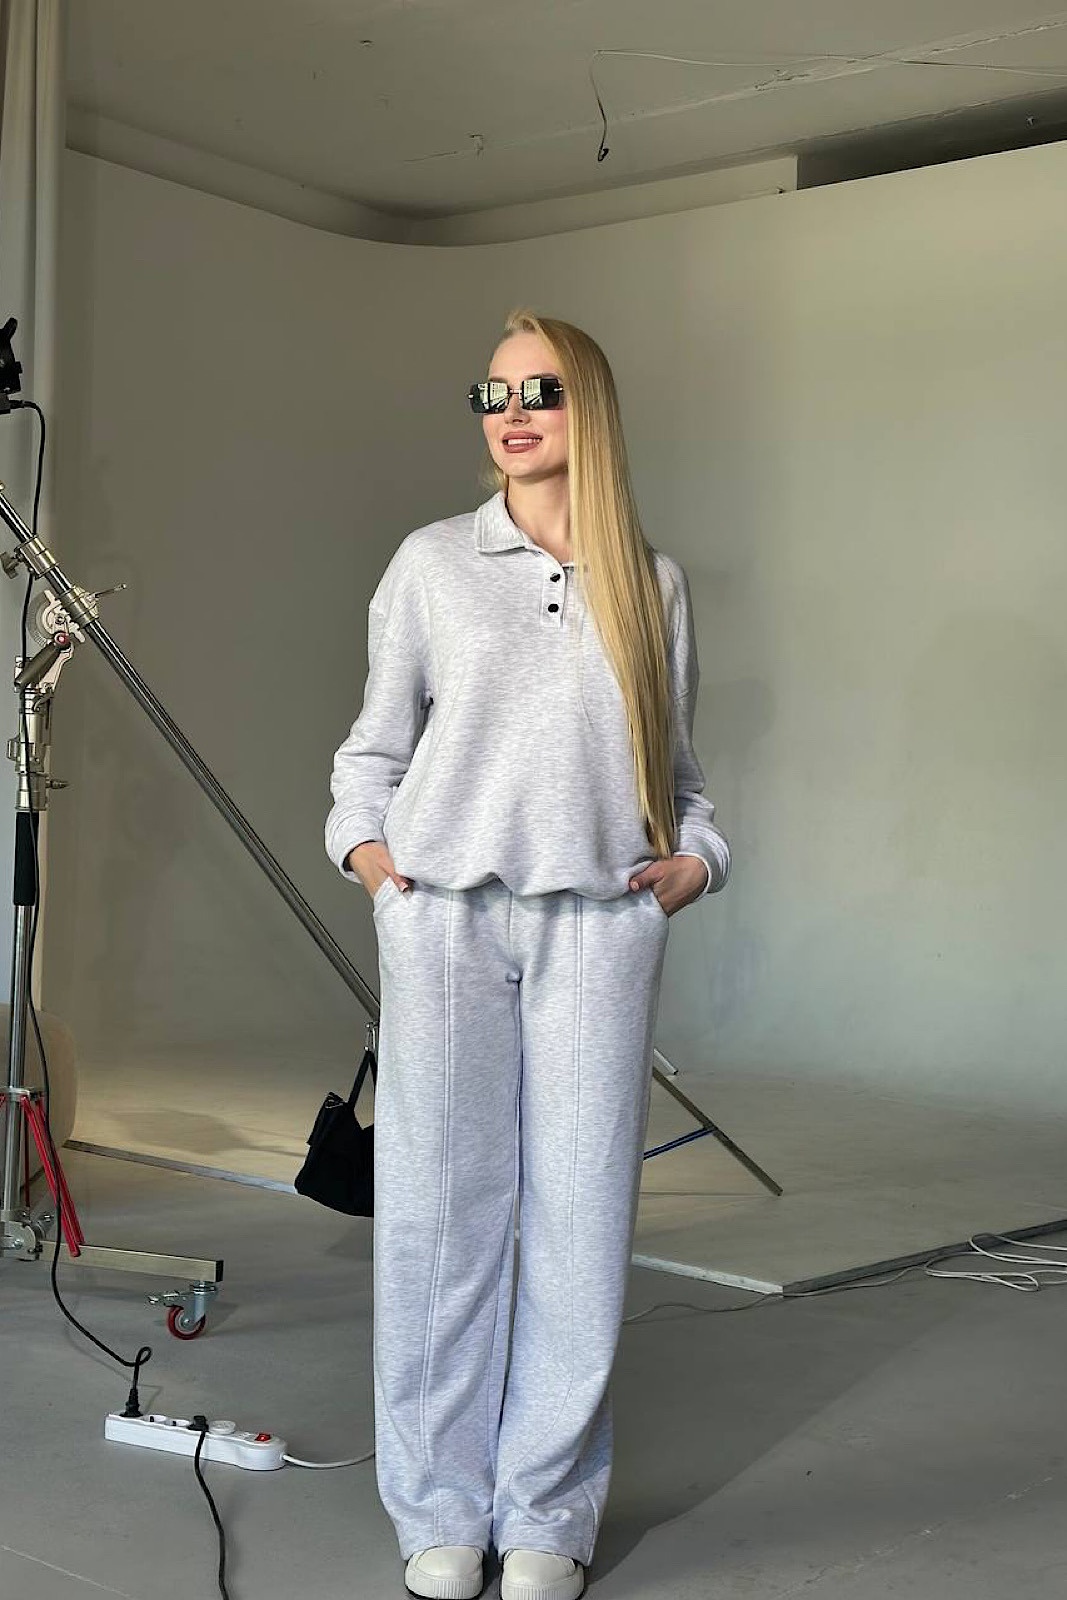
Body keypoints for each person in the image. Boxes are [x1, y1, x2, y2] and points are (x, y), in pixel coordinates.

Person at [325, 309, 730, 1600]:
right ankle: (440, 1503)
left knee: (580, 1225)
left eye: (539, 390)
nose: (511, 413)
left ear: (586, 407)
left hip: (600, 929)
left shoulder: (651, 584)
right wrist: (376, 868)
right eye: (493, 393)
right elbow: (371, 753)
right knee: (441, 1223)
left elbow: (683, 783)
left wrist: (697, 865)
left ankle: (547, 1509)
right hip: (446, 920)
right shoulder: (433, 564)